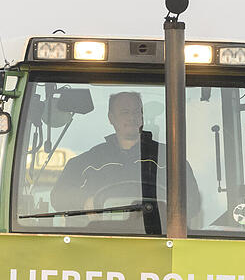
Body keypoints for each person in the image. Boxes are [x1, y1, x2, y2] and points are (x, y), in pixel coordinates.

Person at [50, 91, 200, 233]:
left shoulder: (170, 160)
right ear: (111, 118)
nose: (132, 117)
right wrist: (85, 200)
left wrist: (165, 208)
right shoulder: (88, 162)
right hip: (98, 240)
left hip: (158, 239)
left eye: (136, 112)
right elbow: (58, 196)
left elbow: (192, 201)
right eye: (125, 112)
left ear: (142, 117)